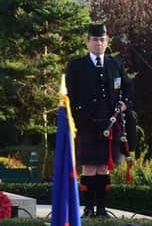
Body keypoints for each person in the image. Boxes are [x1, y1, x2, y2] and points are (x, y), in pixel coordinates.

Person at [66, 23, 135, 217]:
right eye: (95, 40)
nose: (99, 43)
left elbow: (128, 88)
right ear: (87, 42)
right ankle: (88, 208)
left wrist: (125, 104)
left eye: (102, 40)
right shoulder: (76, 65)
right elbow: (70, 94)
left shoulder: (116, 64)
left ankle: (102, 208)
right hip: (86, 123)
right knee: (89, 167)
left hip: (110, 123)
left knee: (104, 166)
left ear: (107, 42)